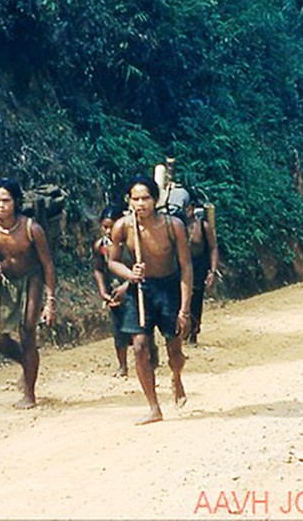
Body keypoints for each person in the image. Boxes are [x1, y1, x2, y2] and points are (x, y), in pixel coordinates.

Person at [107, 174, 192, 424]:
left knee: (174, 349)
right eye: (136, 198)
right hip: (140, 290)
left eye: (146, 198)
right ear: (129, 200)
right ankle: (154, 407)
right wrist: (129, 274)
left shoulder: (172, 225)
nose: (141, 203)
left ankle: (176, 377)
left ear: (155, 200)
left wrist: (184, 310)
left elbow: (186, 267)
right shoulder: (122, 226)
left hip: (169, 289)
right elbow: (112, 261)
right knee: (141, 347)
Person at [0, 177, 57, 409]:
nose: (0, 205)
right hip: (7, 281)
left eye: (6, 201)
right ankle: (26, 362)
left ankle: (29, 394)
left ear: (16, 202)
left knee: (28, 330)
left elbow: (48, 265)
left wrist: (50, 301)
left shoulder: (31, 229)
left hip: (32, 278)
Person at [90, 206, 159, 376]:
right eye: (104, 227)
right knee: (118, 328)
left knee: (142, 327)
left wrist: (127, 285)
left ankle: (150, 356)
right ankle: (122, 365)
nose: (107, 231)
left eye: (111, 227)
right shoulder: (101, 246)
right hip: (114, 293)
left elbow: (144, 268)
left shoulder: (132, 243)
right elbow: (98, 269)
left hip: (136, 290)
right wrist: (103, 291)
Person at [184, 188, 220, 346]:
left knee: (196, 300)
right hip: (181, 266)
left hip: (198, 267)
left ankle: (193, 333)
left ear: (191, 207)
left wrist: (212, 271)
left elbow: (213, 248)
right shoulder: (176, 225)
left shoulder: (203, 226)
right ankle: (182, 331)